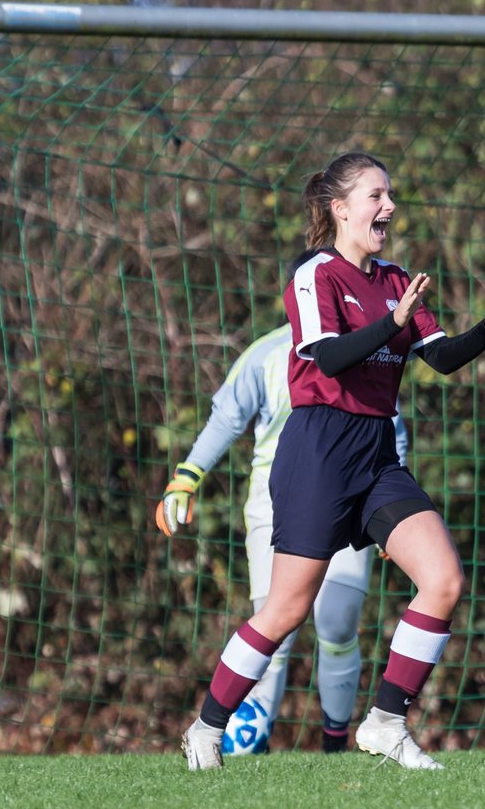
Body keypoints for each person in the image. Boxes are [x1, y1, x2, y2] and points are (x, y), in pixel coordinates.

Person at [179, 151, 485, 771]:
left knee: (444, 580)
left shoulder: (398, 279)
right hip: (318, 450)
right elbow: (325, 357)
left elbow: (444, 358)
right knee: (287, 609)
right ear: (339, 208)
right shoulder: (313, 272)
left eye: (390, 195)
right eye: (377, 196)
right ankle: (207, 728)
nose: (390, 207)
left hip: (376, 452)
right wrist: (391, 324)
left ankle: (385, 724)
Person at [158, 306, 409, 754]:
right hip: (276, 502)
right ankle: (242, 743)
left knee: (337, 621)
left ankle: (336, 744)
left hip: (353, 494)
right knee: (275, 621)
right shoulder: (268, 352)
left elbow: (392, 427)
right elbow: (227, 415)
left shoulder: (368, 351)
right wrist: (187, 475)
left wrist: (395, 511)